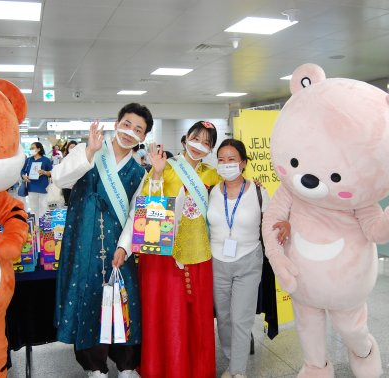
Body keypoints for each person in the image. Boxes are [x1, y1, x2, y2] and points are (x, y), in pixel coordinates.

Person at [52, 103, 154, 378]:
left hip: (117, 252)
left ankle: (126, 364)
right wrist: (88, 151)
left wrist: (124, 247)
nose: (130, 132)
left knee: (123, 303)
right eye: (127, 124)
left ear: (143, 138)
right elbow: (60, 177)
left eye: (138, 130)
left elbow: (136, 215)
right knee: (88, 301)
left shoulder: (139, 172)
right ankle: (93, 366)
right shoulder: (90, 151)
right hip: (83, 244)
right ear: (117, 122)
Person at [118, 120, 220, 378]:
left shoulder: (212, 175)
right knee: (167, 315)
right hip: (163, 255)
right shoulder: (165, 167)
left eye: (206, 143)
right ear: (186, 139)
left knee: (197, 317)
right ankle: (165, 367)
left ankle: (197, 369)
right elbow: (144, 209)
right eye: (196, 139)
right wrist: (156, 174)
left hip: (199, 254)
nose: (199, 146)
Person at [207, 139, 289, 378]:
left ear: (243, 163)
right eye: (221, 159)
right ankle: (233, 360)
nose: (225, 164)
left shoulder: (258, 191)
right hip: (216, 262)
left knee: (240, 319)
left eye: (231, 159)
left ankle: (238, 371)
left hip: (248, 261)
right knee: (223, 318)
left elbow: (272, 223)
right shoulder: (212, 191)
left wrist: (285, 224)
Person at [21, 142, 53, 221]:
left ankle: (44, 226)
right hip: (31, 187)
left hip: (43, 187)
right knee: (33, 208)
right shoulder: (28, 160)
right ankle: (35, 226)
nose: (31, 150)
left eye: (33, 148)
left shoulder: (46, 160)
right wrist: (24, 176)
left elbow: (52, 172)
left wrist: (44, 172)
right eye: (30, 148)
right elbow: (22, 171)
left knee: (44, 207)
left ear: (39, 149)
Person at [60, 140, 78, 205]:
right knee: (68, 204)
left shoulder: (81, 159)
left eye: (74, 147)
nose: (73, 148)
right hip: (67, 186)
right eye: (71, 147)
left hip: (78, 186)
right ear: (68, 149)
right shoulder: (64, 159)